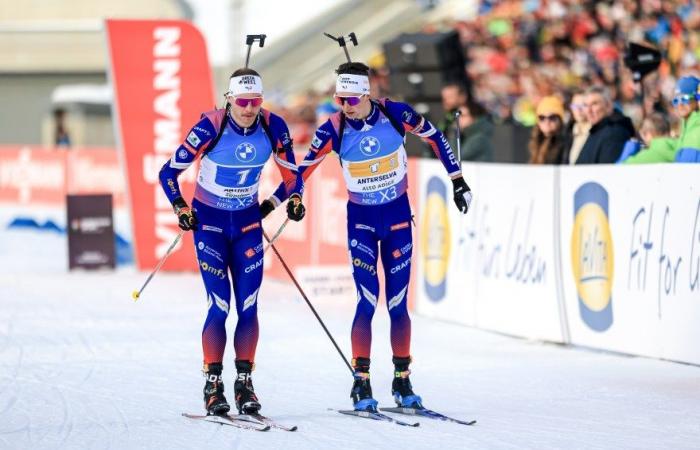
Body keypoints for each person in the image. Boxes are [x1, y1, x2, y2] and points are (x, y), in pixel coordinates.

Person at [260, 62, 473, 412]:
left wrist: (457, 179)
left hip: (398, 217)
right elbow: (300, 173)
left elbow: (435, 136)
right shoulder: (333, 128)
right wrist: (275, 203)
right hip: (361, 221)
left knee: (397, 303)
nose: (346, 104)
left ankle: (402, 380)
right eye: (341, 98)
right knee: (366, 300)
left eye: (353, 98)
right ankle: (361, 382)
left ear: (367, 93)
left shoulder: (394, 114)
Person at [158, 68, 306, 416]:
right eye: (242, 101)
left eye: (255, 101)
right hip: (209, 225)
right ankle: (212, 386)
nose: (249, 108)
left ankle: (244, 384)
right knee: (219, 306)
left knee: (249, 305)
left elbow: (291, 178)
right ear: (229, 99)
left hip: (246, 225)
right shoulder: (210, 126)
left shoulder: (274, 126)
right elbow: (168, 173)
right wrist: (180, 207)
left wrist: (284, 202)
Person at [575, 86, 635, 164]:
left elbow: (606, 171)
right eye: (586, 105)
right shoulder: (597, 129)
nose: (589, 110)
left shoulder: (614, 133)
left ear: (608, 106)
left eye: (594, 104)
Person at [528, 96, 567, 164]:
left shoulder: (566, 144)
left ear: (560, 120)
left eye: (552, 117)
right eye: (542, 118)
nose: (547, 122)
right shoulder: (535, 143)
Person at [563, 91, 590, 164]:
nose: (578, 110)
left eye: (582, 106)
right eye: (575, 106)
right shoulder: (568, 132)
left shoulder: (596, 132)